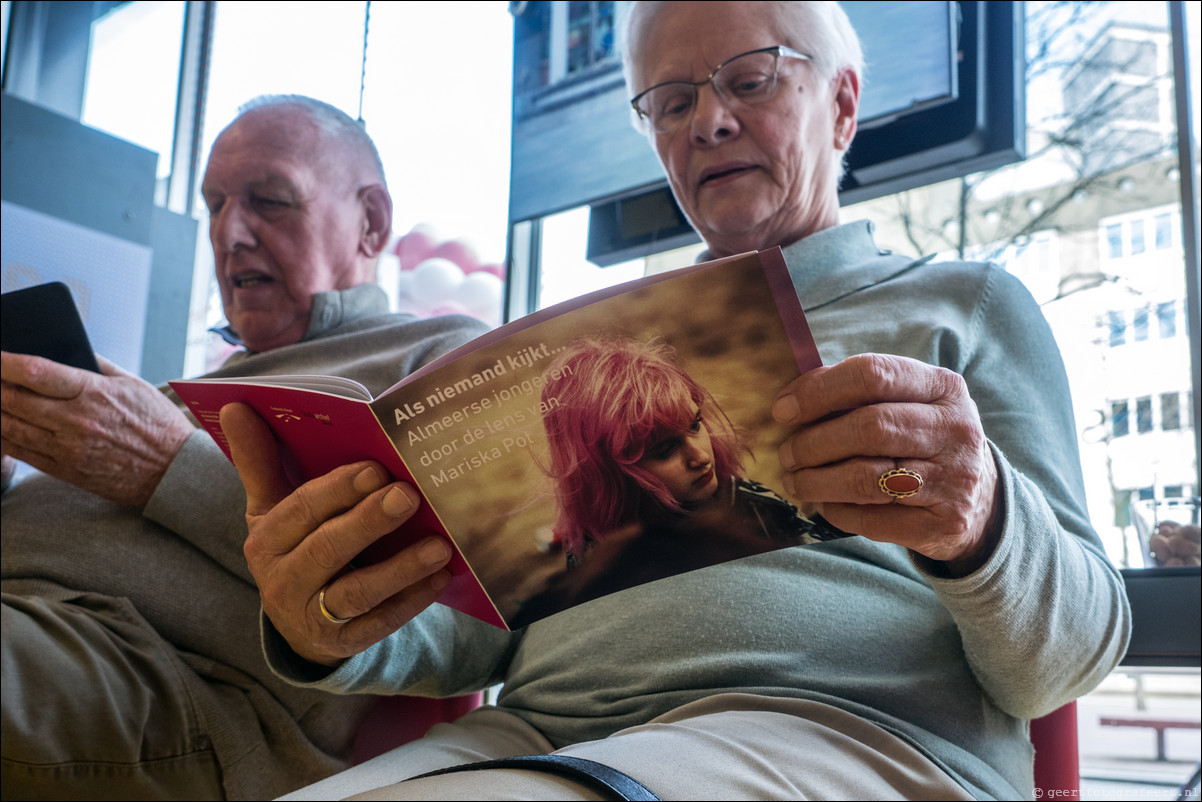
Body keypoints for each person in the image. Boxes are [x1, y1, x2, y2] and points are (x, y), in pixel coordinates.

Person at [225, 3, 1132, 799]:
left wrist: (984, 521)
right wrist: (326, 623)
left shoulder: (962, 306)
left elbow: (1072, 657)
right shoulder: (572, 363)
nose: (710, 122)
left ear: (844, 106)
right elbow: (471, 645)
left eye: (750, 80)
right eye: (671, 103)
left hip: (847, 737)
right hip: (530, 735)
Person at [0, 95, 488, 800]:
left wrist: (165, 467)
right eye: (215, 204)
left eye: (270, 200)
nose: (230, 232)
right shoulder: (193, 380)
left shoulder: (437, 359)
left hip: (168, 679)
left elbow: (452, 607)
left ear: (371, 222)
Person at [510, 336, 847, 627]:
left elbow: (829, 569)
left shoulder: (751, 508)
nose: (700, 456)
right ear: (610, 475)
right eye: (666, 449)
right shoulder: (590, 554)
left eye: (695, 424)